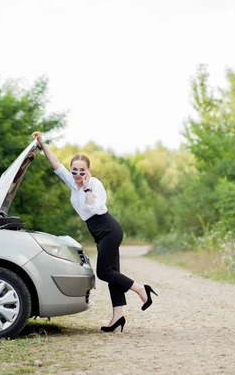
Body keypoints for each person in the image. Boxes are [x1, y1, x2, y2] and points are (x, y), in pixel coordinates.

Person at [32, 131, 157, 333]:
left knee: (103, 272)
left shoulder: (94, 184)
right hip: (99, 233)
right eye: (75, 171)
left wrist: (88, 187)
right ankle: (119, 316)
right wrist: (42, 144)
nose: (78, 175)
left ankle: (141, 288)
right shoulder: (72, 183)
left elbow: (95, 207)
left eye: (82, 171)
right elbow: (56, 165)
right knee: (112, 274)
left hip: (109, 229)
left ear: (88, 170)